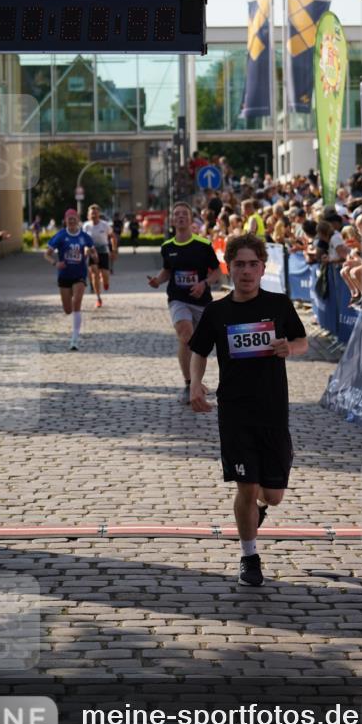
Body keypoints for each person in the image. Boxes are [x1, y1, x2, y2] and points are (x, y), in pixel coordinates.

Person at [189, 233, 308, 588]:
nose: (245, 271)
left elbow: (302, 341)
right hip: (235, 411)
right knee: (246, 485)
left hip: (273, 410)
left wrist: (291, 347)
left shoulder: (279, 305)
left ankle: (259, 510)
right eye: (238, 264)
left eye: (252, 264)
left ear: (262, 268)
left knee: (272, 495)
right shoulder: (218, 311)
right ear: (230, 267)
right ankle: (249, 557)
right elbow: (198, 351)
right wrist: (196, 383)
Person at [147, 201, 221, 404]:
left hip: (201, 300)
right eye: (177, 214)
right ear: (172, 220)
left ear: (190, 219)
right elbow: (167, 271)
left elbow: (217, 271)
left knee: (201, 343)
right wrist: (157, 280)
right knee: (185, 334)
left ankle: (197, 380)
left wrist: (203, 284)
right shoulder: (167, 247)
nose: (180, 217)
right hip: (178, 298)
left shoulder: (203, 245)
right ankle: (189, 383)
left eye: (184, 214)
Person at [46, 209, 97, 350]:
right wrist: (55, 263)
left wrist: (93, 255)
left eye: (74, 218)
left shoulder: (84, 236)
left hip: (79, 274)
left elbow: (92, 250)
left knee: (77, 302)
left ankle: (74, 338)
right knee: (68, 309)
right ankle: (74, 327)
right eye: (69, 219)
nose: (72, 221)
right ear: (65, 220)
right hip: (64, 275)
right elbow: (47, 254)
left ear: (78, 219)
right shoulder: (60, 236)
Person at [83, 204, 113, 308]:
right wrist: (85, 248)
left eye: (95, 213)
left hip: (103, 250)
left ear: (99, 214)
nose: (94, 215)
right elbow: (83, 240)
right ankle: (98, 298)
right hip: (92, 251)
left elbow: (112, 236)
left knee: (105, 274)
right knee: (94, 273)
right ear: (88, 215)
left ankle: (105, 282)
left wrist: (113, 249)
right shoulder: (86, 226)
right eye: (92, 213)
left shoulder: (105, 225)